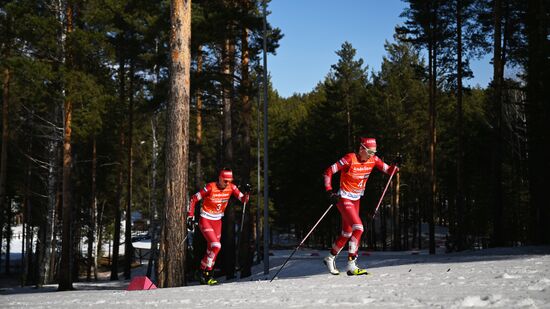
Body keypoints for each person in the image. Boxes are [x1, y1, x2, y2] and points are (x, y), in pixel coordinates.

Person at [322, 137, 398, 276]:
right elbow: (328, 171)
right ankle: (351, 265)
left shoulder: (373, 160)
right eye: (369, 151)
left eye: (374, 152)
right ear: (361, 148)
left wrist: (396, 165)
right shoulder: (350, 158)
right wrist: (329, 191)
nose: (371, 155)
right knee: (359, 228)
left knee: (347, 233)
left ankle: (330, 257)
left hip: (356, 199)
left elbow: (389, 171)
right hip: (344, 198)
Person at [187, 168, 250, 285]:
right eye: (225, 180)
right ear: (220, 178)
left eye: (229, 180)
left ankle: (206, 275)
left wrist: (247, 193)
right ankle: (203, 271)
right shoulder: (210, 187)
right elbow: (194, 198)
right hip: (205, 219)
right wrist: (190, 217)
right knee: (216, 245)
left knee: (212, 249)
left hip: (217, 221)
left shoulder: (232, 187)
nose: (227, 183)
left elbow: (243, 200)